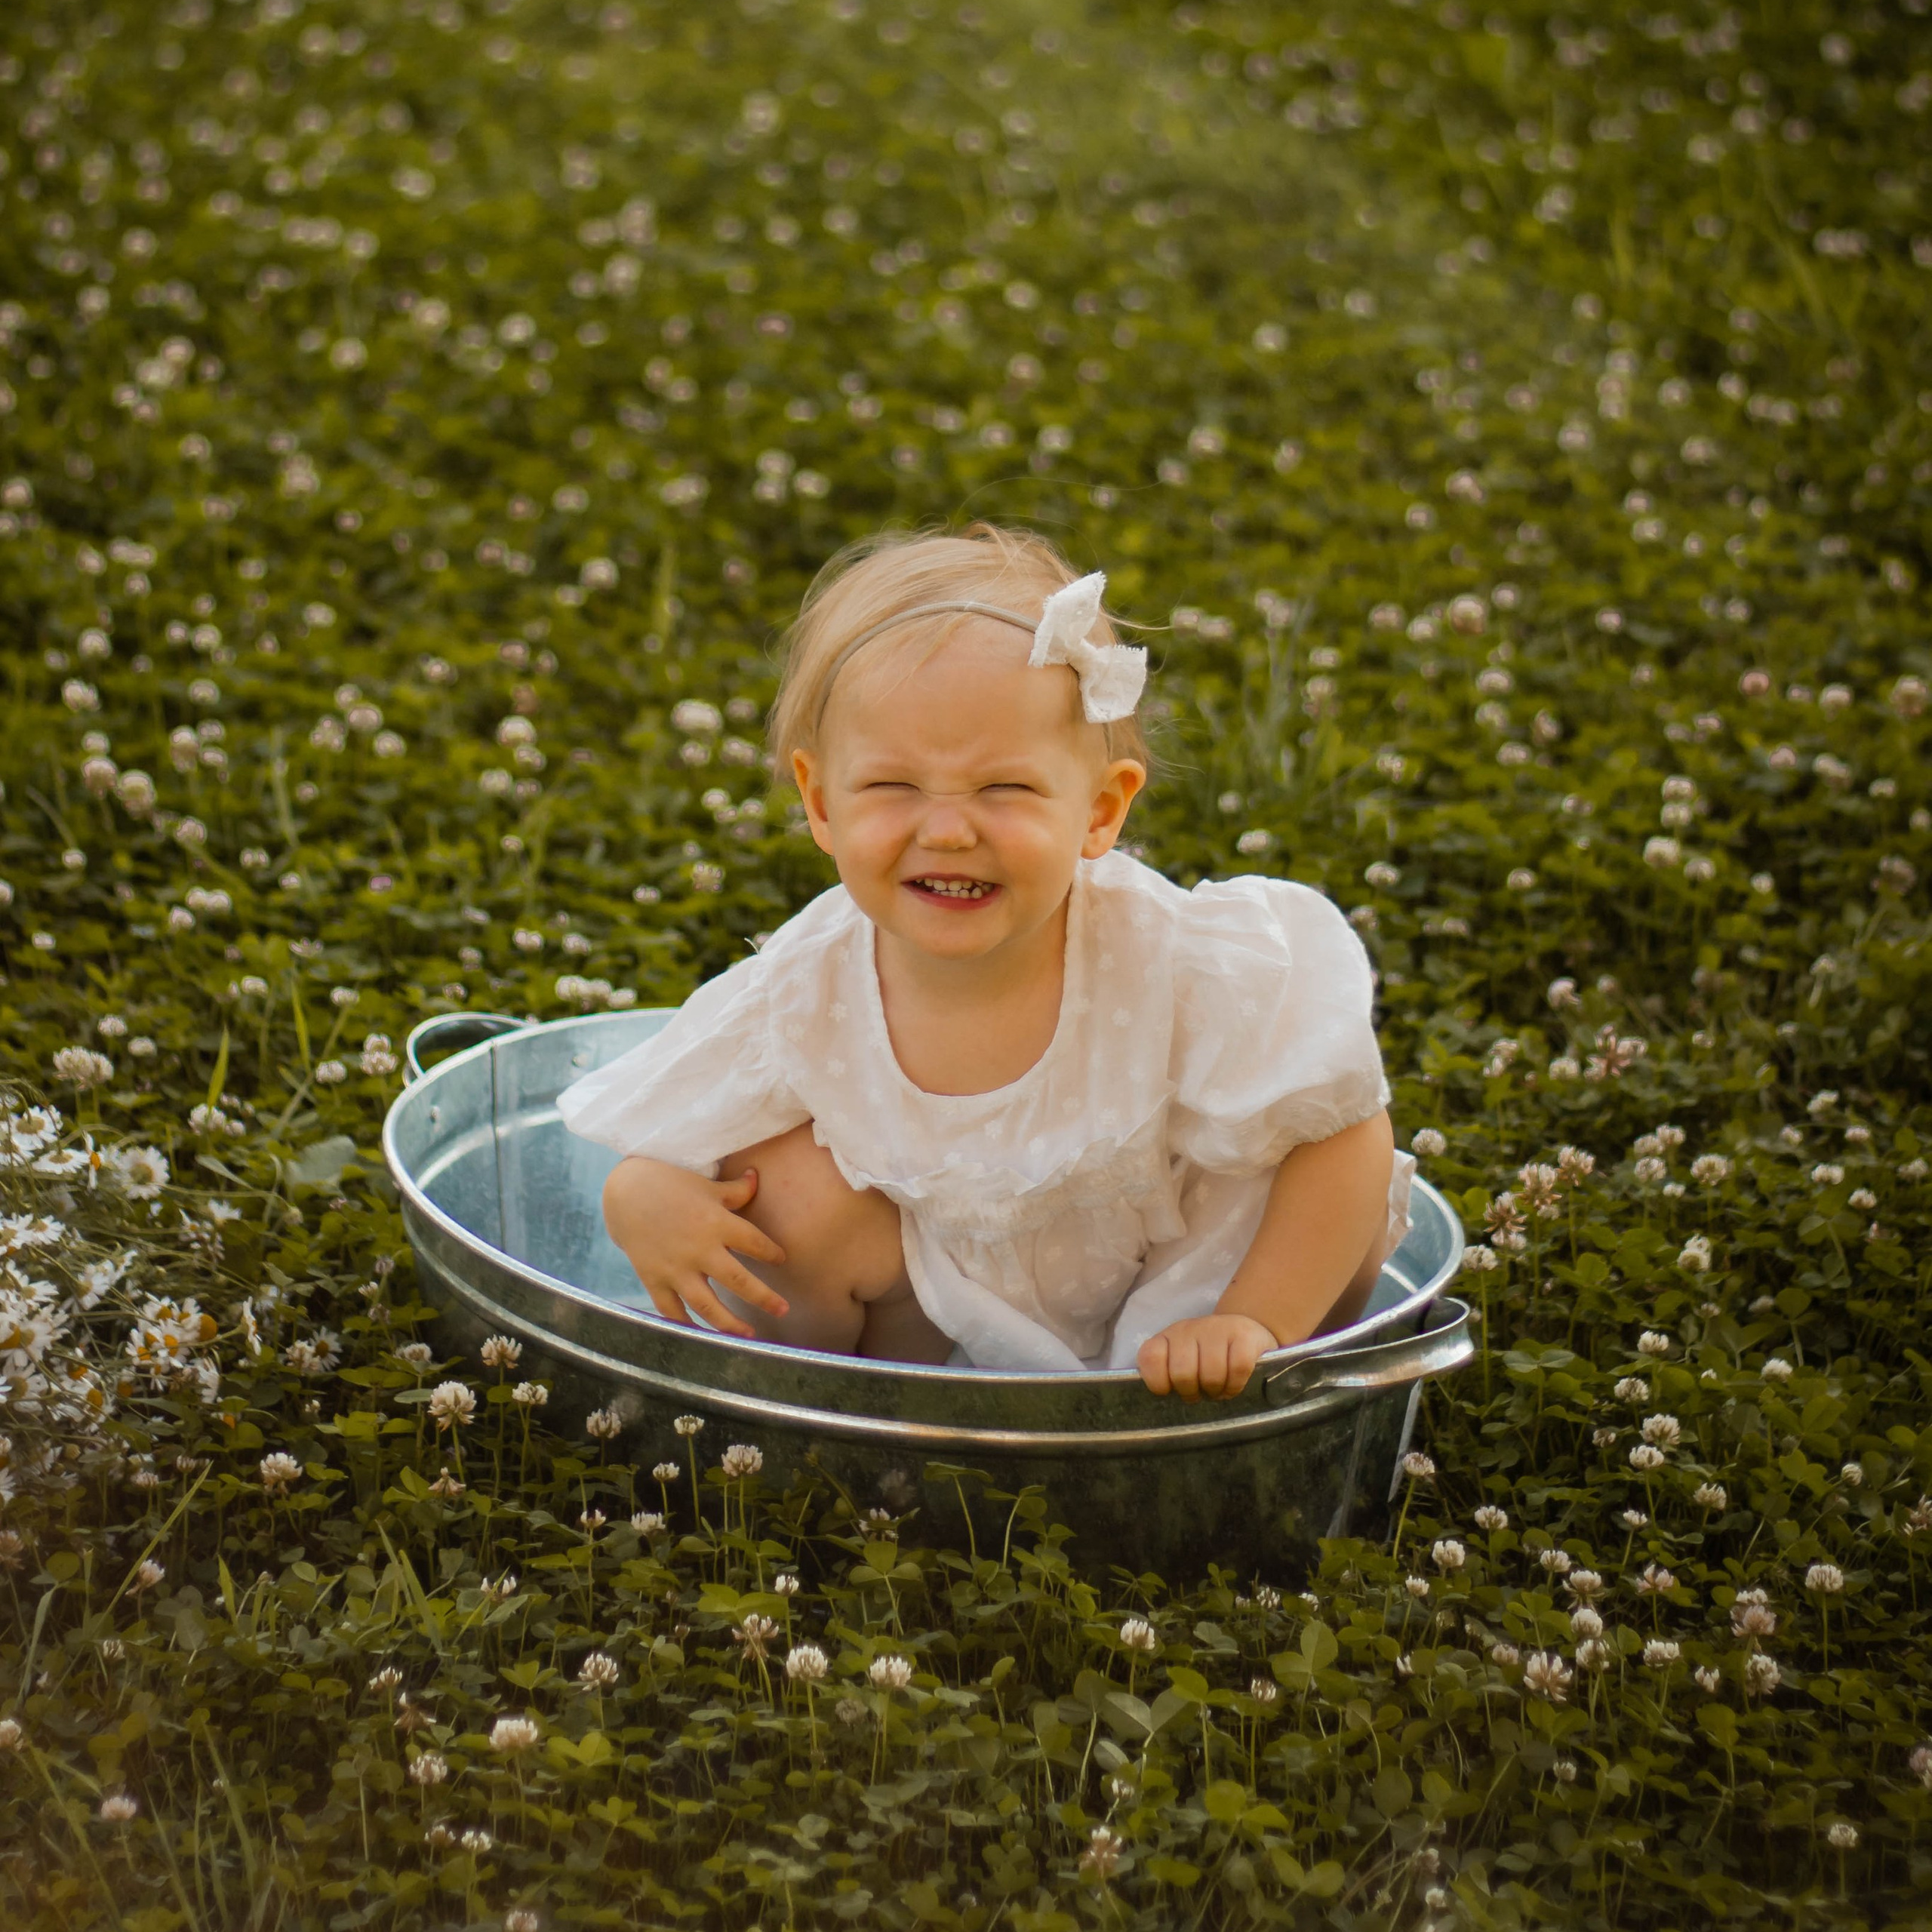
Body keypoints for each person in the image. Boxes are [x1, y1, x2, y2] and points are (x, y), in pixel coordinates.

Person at [558, 524, 1411, 1401]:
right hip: (943, 1318)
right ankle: (828, 1413)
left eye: (1005, 788)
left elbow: (1348, 1133)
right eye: (891, 786)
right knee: (780, 1192)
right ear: (821, 802)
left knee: (1319, 1177)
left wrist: (1258, 1319)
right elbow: (671, 1127)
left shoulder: (1173, 960)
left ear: (1100, 810)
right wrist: (641, 1192)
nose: (947, 830)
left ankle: (1237, 1366)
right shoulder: (808, 985)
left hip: (1188, 1310)